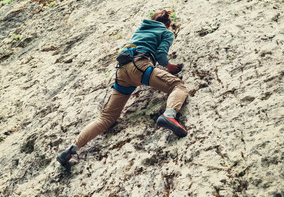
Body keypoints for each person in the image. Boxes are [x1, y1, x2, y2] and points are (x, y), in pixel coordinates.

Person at [57, 10, 189, 166]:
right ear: (167, 24)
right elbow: (161, 56)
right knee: (178, 86)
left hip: (122, 72)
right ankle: (169, 115)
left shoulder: (140, 30)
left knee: (106, 118)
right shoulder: (166, 32)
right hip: (140, 67)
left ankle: (70, 150)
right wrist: (169, 67)